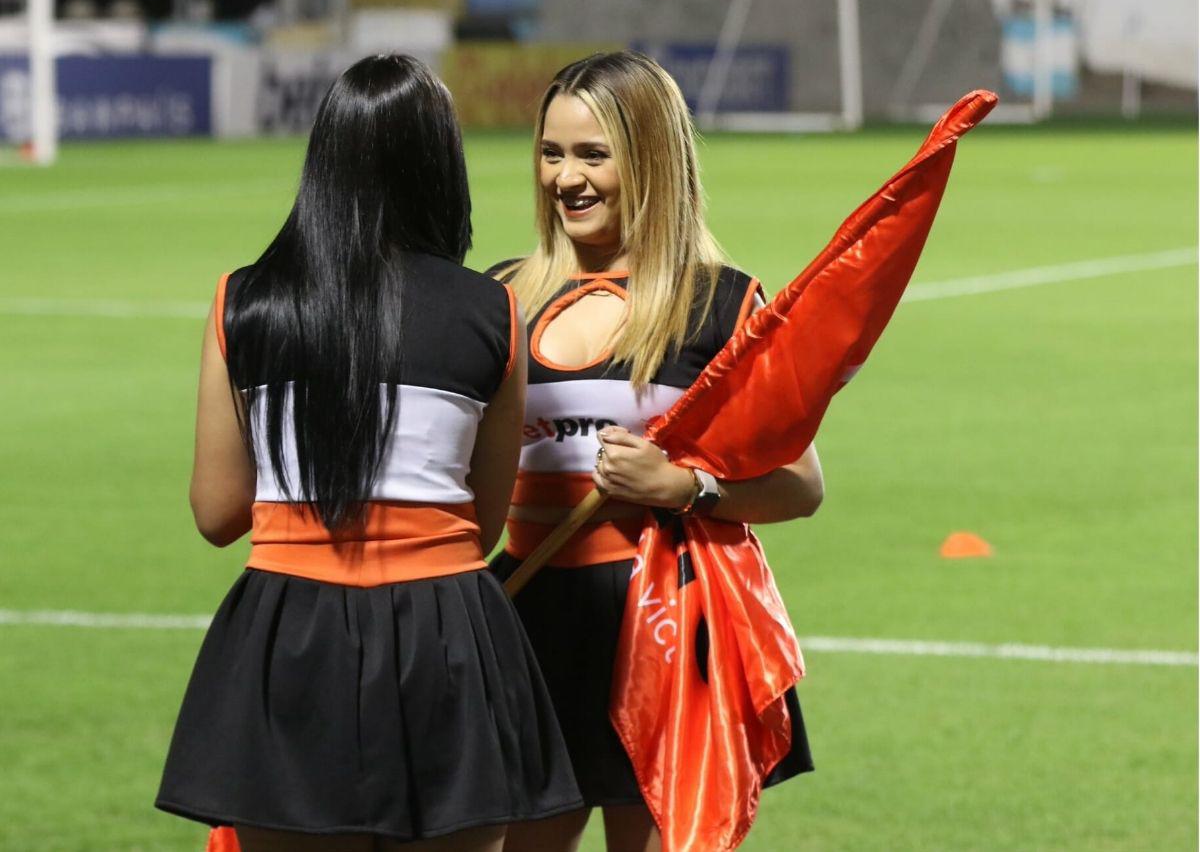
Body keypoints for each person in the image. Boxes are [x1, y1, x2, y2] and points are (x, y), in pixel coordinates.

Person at [155, 54, 582, 852]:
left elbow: (217, 515)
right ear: (439, 165)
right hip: (448, 630)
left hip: (291, 628)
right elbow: (481, 526)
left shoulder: (244, 302)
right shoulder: (494, 310)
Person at [486, 51, 826, 852]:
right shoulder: (498, 296)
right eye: (551, 152)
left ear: (650, 161)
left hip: (662, 631)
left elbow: (800, 486)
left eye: (593, 155)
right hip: (525, 615)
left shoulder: (720, 302)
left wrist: (683, 486)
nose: (565, 178)